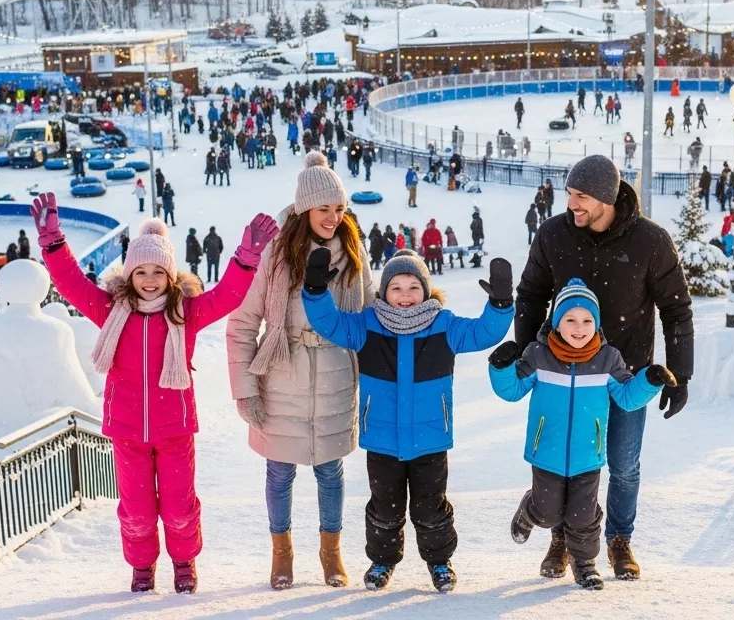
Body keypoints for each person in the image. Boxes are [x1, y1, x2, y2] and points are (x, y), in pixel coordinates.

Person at [32, 194, 277, 595]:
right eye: (140, 271)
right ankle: (142, 567)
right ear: (129, 275)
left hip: (174, 428)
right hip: (128, 431)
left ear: (170, 275)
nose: (149, 280)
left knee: (180, 506)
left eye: (157, 272)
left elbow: (229, 296)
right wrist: (53, 243)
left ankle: (184, 562)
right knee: (137, 509)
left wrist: (247, 256)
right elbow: (71, 284)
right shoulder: (111, 310)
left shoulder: (186, 312)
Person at [514, 154, 693, 581]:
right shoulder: (554, 234)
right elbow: (531, 294)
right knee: (564, 461)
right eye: (570, 194)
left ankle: (618, 539)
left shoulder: (650, 241)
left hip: (624, 374)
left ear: (605, 198)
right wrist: (524, 355)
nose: (570, 203)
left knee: (624, 464)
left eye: (580, 196)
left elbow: (676, 308)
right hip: (566, 375)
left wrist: (680, 373)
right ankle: (562, 537)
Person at [302, 248, 513, 592]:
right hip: (383, 440)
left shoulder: (443, 326)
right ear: (383, 292)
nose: (404, 295)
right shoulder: (367, 326)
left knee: (430, 509)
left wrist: (501, 303)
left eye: (413, 287)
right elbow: (330, 322)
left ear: (426, 291)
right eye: (396, 287)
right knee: (385, 509)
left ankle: (440, 561)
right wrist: (315, 290)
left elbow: (484, 333)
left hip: (430, 439)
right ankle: (382, 561)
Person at [226, 151, 375, 592]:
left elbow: (368, 317)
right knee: (280, 472)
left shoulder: (352, 251)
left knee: (330, 472)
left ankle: (331, 553)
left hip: (334, 374)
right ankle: (282, 554)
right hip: (282, 373)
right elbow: (242, 323)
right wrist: (245, 389)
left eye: (339, 209)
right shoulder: (276, 255)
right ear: (304, 207)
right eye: (324, 208)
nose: (332, 217)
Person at [491, 280, 671, 590]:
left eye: (588, 320)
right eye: (570, 319)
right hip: (546, 452)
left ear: (597, 324)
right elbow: (512, 390)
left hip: (588, 455)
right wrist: (501, 367)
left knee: (582, 516)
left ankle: (584, 564)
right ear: (557, 323)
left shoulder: (607, 359)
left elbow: (628, 397)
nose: (579, 327)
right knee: (548, 513)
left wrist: (650, 380)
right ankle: (529, 510)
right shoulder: (539, 355)